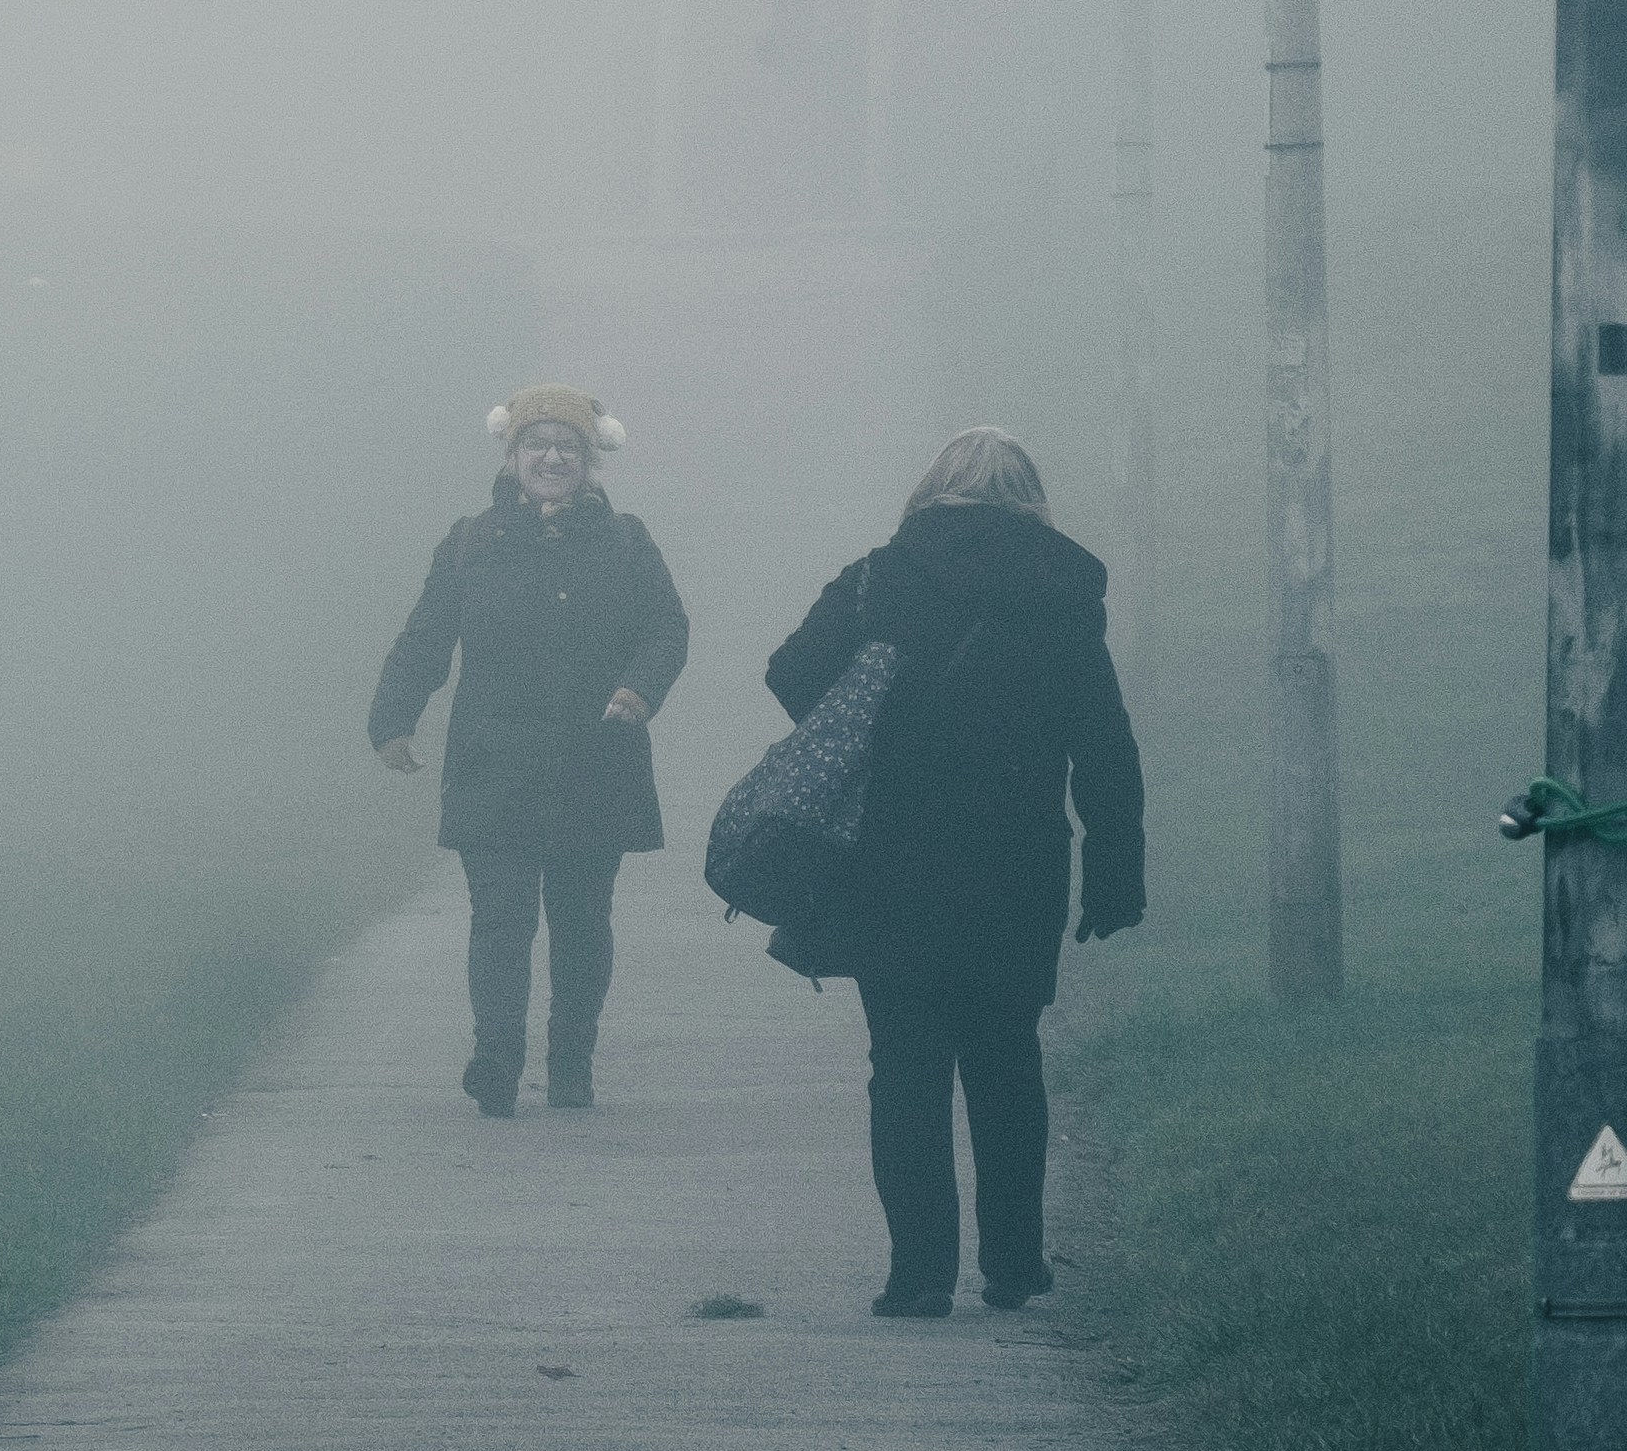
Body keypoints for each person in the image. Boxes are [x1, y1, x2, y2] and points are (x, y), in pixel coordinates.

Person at [758, 426, 1143, 1318]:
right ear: (1032, 500)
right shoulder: (1062, 594)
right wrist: (1115, 867)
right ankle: (1013, 1265)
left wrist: (875, 692)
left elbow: (788, 674)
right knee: (1008, 1062)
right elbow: (1105, 744)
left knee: (904, 1069)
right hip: (1019, 863)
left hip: (890, 859)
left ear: (931, 494)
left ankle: (920, 1274)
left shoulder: (877, 578)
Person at [370, 385, 689, 1116]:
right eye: (537, 445)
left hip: (595, 759)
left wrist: (638, 690)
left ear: (588, 460)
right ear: (512, 456)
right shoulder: (469, 543)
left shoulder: (627, 542)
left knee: (581, 917)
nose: (552, 457)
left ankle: (572, 1059)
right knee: (500, 913)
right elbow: (426, 637)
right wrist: (393, 719)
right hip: (495, 761)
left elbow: (666, 629)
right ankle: (497, 1056)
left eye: (567, 447)